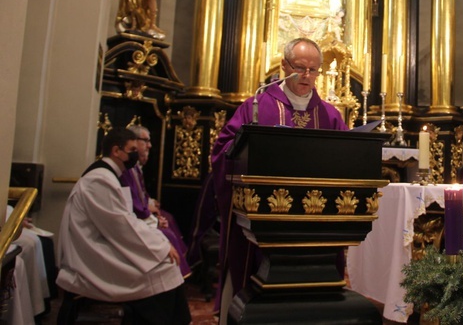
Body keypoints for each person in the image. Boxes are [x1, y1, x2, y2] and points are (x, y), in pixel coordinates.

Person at [211, 37, 348, 322]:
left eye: (314, 70)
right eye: (300, 68)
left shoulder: (331, 115)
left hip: (313, 218)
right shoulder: (257, 105)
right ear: (284, 65)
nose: (307, 76)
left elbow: (346, 161)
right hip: (263, 214)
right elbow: (223, 150)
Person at [56, 128, 190, 324]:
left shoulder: (108, 176)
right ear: (116, 151)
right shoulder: (99, 180)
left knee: (165, 268)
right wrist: (160, 246)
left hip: (100, 246)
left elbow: (124, 219)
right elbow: (121, 227)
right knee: (165, 269)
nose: (136, 153)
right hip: (91, 257)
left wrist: (158, 242)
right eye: (132, 149)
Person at [121, 124, 191, 277]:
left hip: (139, 219)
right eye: (145, 141)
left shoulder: (133, 167)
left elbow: (140, 197)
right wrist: (154, 220)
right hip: (131, 225)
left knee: (168, 223)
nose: (149, 145)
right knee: (167, 234)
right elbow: (132, 206)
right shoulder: (124, 171)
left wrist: (153, 215)